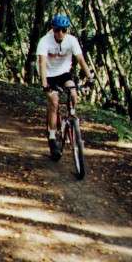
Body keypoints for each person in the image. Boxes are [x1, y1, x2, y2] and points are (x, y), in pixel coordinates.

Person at [36, 14, 93, 161]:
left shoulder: (71, 40)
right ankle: (52, 137)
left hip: (64, 73)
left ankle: (71, 119)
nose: (60, 33)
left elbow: (80, 59)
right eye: (57, 30)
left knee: (73, 93)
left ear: (66, 30)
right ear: (52, 29)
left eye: (63, 30)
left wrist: (90, 78)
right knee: (54, 103)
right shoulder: (44, 41)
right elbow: (41, 63)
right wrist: (44, 85)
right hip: (48, 74)